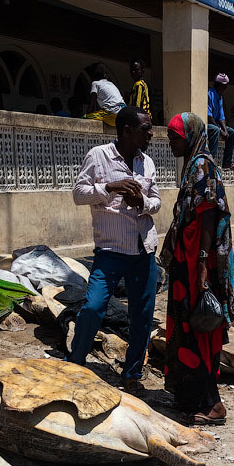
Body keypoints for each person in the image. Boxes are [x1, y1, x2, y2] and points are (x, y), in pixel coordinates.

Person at [70, 106, 160, 395]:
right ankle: (75, 362)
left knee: (142, 316)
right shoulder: (99, 156)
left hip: (143, 251)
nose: (150, 133)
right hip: (109, 250)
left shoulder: (147, 163)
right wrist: (109, 186)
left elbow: (157, 201)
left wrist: (141, 203)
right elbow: (78, 194)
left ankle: (132, 373)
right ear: (126, 130)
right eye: (145, 128)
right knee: (93, 306)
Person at [161, 112, 234, 425]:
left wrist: (203, 265)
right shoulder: (192, 166)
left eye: (175, 138)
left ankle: (212, 404)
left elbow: (207, 217)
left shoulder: (202, 166)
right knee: (186, 329)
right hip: (187, 263)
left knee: (200, 329)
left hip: (197, 265)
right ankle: (190, 396)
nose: (171, 144)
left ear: (190, 136)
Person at [206, 74, 234, 171]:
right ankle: (209, 161)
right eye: (224, 86)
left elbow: (221, 116)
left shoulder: (220, 97)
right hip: (207, 123)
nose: (225, 88)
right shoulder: (209, 93)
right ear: (219, 85)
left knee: (231, 132)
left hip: (216, 123)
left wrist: (225, 130)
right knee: (215, 130)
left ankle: (227, 162)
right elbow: (208, 115)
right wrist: (220, 130)